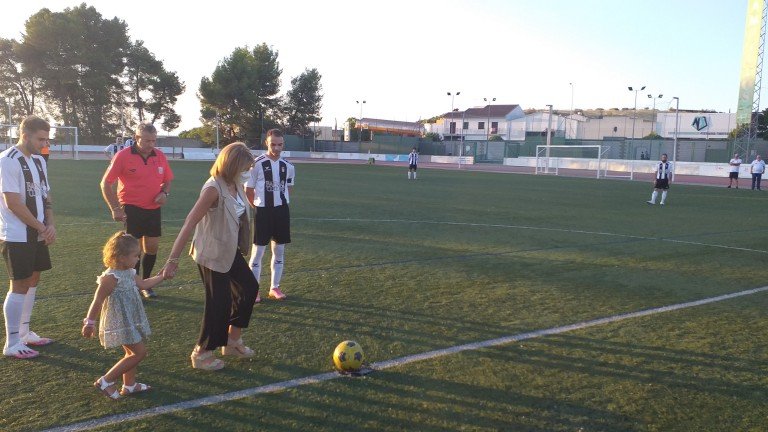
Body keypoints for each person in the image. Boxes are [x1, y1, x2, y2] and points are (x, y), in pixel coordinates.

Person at [162, 142, 258, 370]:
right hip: (211, 253)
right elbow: (189, 223)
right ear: (232, 165)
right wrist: (172, 260)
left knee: (249, 289)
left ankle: (232, 341)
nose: (247, 172)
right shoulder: (213, 188)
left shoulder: (234, 183)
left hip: (229, 250)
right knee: (219, 303)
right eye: (244, 167)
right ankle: (201, 352)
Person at [82, 231, 165, 399]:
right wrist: (89, 323)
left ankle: (129, 385)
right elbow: (97, 301)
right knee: (139, 353)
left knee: (131, 354)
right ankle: (106, 381)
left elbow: (143, 284)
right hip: (120, 321)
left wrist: (162, 276)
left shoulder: (129, 272)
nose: (138, 259)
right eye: (135, 256)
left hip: (131, 319)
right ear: (121, 257)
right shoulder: (110, 278)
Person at [0, 115, 56, 359]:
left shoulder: (39, 160)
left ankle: (24, 333)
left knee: (33, 279)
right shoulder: (7, 161)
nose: (44, 144)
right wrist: (40, 227)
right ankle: (11, 342)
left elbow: (45, 196)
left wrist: (50, 223)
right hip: (16, 234)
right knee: (19, 283)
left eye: (47, 139)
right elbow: (12, 203)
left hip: (38, 233)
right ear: (24, 135)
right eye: (40, 139)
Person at [101, 124, 173, 298]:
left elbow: (168, 180)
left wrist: (164, 193)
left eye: (154, 140)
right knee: (132, 249)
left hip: (153, 208)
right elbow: (105, 183)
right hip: (131, 207)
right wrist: (115, 208)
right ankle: (132, 284)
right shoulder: (123, 156)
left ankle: (145, 284)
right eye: (147, 140)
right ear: (136, 138)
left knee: (152, 247)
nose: (151, 144)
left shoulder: (160, 156)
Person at [246, 129, 295, 302]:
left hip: (281, 211)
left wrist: (281, 202)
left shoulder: (288, 166)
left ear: (283, 144)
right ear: (266, 143)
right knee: (258, 252)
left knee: (279, 251)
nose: (276, 147)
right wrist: (257, 207)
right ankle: (254, 290)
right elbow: (248, 189)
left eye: (279, 144)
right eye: (273, 144)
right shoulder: (257, 163)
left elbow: (288, 188)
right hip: (263, 211)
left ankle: (275, 287)